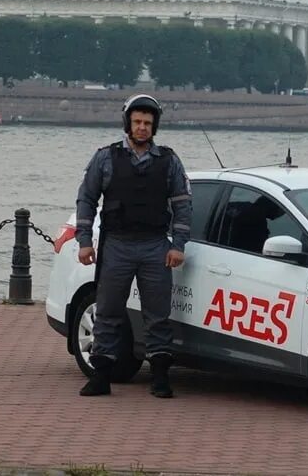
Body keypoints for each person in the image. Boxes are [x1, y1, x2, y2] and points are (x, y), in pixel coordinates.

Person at [75, 94, 192, 398]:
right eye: (137, 122)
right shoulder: (105, 158)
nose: (142, 128)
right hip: (117, 245)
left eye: (148, 124)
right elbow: (86, 199)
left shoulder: (169, 161)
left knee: (158, 314)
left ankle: (160, 377)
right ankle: (101, 375)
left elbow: (183, 206)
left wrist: (178, 245)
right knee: (108, 311)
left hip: (155, 246)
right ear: (127, 123)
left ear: (155, 127)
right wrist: (85, 242)